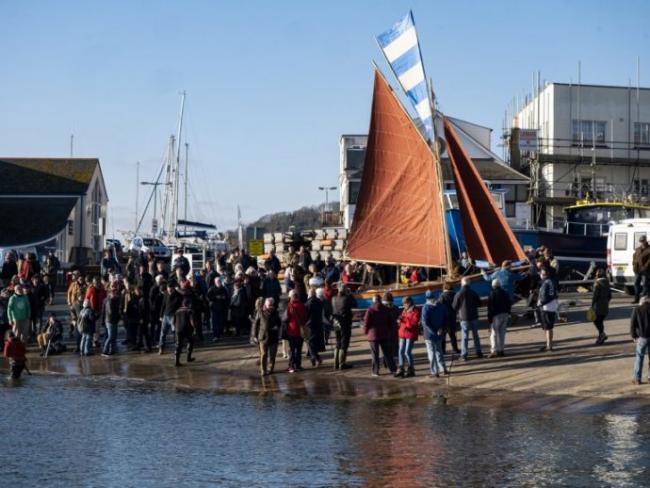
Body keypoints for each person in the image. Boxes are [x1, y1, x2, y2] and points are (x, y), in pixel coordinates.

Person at [363, 294, 397, 376]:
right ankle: (393, 369)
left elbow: (366, 322)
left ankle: (375, 371)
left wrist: (365, 331)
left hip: (373, 334)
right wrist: (388, 330)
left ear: (373, 300)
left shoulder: (370, 309)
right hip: (384, 333)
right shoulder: (385, 309)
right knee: (387, 353)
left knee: (375, 354)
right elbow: (389, 321)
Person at [453, 277, 483, 360]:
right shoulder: (473, 292)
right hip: (474, 316)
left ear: (462, 283)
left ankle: (464, 354)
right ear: (469, 283)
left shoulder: (458, 293)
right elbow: (479, 304)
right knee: (475, 335)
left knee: (465, 336)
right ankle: (478, 352)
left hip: (464, 317)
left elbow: (454, 307)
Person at [421, 291, 450, 377]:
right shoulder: (441, 306)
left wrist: (433, 331)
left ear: (427, 298)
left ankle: (435, 371)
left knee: (431, 353)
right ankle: (443, 369)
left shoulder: (426, 307)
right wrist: (441, 329)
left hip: (429, 334)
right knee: (439, 351)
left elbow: (425, 322)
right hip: (439, 332)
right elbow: (446, 318)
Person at [251, 297, 281, 375]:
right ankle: (263, 370)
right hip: (263, 336)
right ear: (265, 304)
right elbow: (255, 324)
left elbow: (279, 323)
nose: (270, 306)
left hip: (273, 337)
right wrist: (254, 335)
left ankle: (270, 368)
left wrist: (277, 327)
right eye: (269, 305)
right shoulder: (260, 312)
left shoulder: (276, 312)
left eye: (271, 304)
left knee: (272, 355)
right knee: (264, 354)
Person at [331, 284, 356, 370]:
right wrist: (350, 294)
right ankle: (342, 363)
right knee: (344, 343)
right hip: (345, 323)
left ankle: (336, 363)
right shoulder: (347, 298)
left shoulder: (333, 298)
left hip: (336, 322)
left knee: (338, 342)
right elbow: (355, 304)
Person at [395, 296, 419, 378]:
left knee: (407, 352)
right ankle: (401, 368)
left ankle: (411, 369)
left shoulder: (415, 311)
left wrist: (404, 320)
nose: (404, 305)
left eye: (405, 304)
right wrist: (399, 321)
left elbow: (413, 324)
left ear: (409, 303)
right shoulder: (404, 310)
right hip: (402, 333)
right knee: (400, 351)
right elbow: (401, 323)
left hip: (410, 334)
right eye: (403, 304)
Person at [487, 279, 512, 358]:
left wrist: (490, 319)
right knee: (502, 333)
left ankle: (494, 350)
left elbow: (490, 307)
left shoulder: (492, 293)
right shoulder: (505, 292)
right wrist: (508, 312)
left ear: (493, 285)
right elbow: (509, 303)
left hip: (496, 315)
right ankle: (501, 350)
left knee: (494, 334)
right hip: (505, 314)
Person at [537, 268, 558, 352]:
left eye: (541, 273)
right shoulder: (552, 281)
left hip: (546, 307)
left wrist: (540, 303)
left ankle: (549, 346)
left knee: (547, 327)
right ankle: (548, 344)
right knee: (550, 327)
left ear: (544, 274)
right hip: (552, 306)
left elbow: (545, 296)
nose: (540, 275)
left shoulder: (545, 283)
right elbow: (554, 294)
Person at [285, 289, 306, 373]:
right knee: (299, 349)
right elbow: (305, 317)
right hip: (300, 331)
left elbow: (286, 318)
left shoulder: (289, 306)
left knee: (292, 349)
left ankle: (291, 366)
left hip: (292, 330)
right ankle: (298, 365)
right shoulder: (302, 305)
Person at [631, 296, 650, 384]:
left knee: (639, 357)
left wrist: (634, 336)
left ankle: (637, 378)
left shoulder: (637, 309)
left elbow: (632, 324)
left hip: (642, 337)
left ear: (641, 302)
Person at [159, 284, 182, 353]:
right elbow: (163, 305)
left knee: (175, 333)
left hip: (174, 316)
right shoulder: (166, 294)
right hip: (165, 316)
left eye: (170, 289)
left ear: (173, 288)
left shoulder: (178, 295)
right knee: (163, 333)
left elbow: (180, 306)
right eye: (168, 289)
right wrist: (161, 315)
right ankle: (161, 348)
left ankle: (177, 348)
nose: (169, 290)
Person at [304, 288, 325, 367]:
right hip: (319, 324)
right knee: (314, 343)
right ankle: (313, 359)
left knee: (310, 343)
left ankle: (316, 358)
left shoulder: (307, 304)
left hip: (310, 325)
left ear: (309, 294)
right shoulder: (320, 302)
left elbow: (305, 315)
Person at [591, 268, 612, 345]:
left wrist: (592, 305)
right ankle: (601, 337)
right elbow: (610, 296)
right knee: (600, 321)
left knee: (595, 320)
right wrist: (606, 301)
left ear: (597, 275)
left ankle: (602, 334)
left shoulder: (597, 283)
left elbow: (595, 296)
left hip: (598, 306)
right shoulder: (607, 283)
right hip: (605, 306)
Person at [173, 298, 195, 367]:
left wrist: (176, 328)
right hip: (187, 329)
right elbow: (192, 321)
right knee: (190, 342)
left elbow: (173, 321)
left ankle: (177, 361)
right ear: (189, 304)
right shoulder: (190, 311)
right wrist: (195, 328)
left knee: (178, 344)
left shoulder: (177, 311)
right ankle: (188, 358)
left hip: (178, 329)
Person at [439, 282, 460, 354]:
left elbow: (439, 306)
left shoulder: (442, 296)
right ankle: (455, 349)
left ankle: (443, 350)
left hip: (443, 317)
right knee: (452, 335)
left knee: (443, 335)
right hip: (452, 316)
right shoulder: (455, 294)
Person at [207, 277, 229, 342]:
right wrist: (216, 297)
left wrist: (223, 297)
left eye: (219, 281)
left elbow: (227, 297)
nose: (218, 282)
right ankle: (215, 336)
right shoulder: (211, 289)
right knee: (215, 322)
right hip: (214, 308)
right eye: (217, 281)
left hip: (222, 308)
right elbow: (208, 297)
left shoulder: (223, 289)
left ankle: (220, 335)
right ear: (215, 282)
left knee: (221, 323)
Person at [102, 288, 121, 356]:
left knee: (113, 336)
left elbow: (104, 311)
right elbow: (111, 312)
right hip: (110, 320)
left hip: (111, 320)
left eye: (116, 293)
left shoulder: (111, 300)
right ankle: (105, 350)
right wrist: (118, 315)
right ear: (110, 293)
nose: (115, 294)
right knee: (111, 336)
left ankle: (112, 350)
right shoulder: (110, 301)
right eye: (114, 293)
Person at [632, 235, 650, 303]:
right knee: (636, 284)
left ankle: (644, 299)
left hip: (645, 270)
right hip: (637, 269)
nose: (642, 242)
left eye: (643, 241)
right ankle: (636, 298)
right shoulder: (638, 249)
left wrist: (645, 267)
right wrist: (633, 264)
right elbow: (634, 257)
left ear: (645, 240)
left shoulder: (649, 249)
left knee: (645, 284)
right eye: (641, 241)